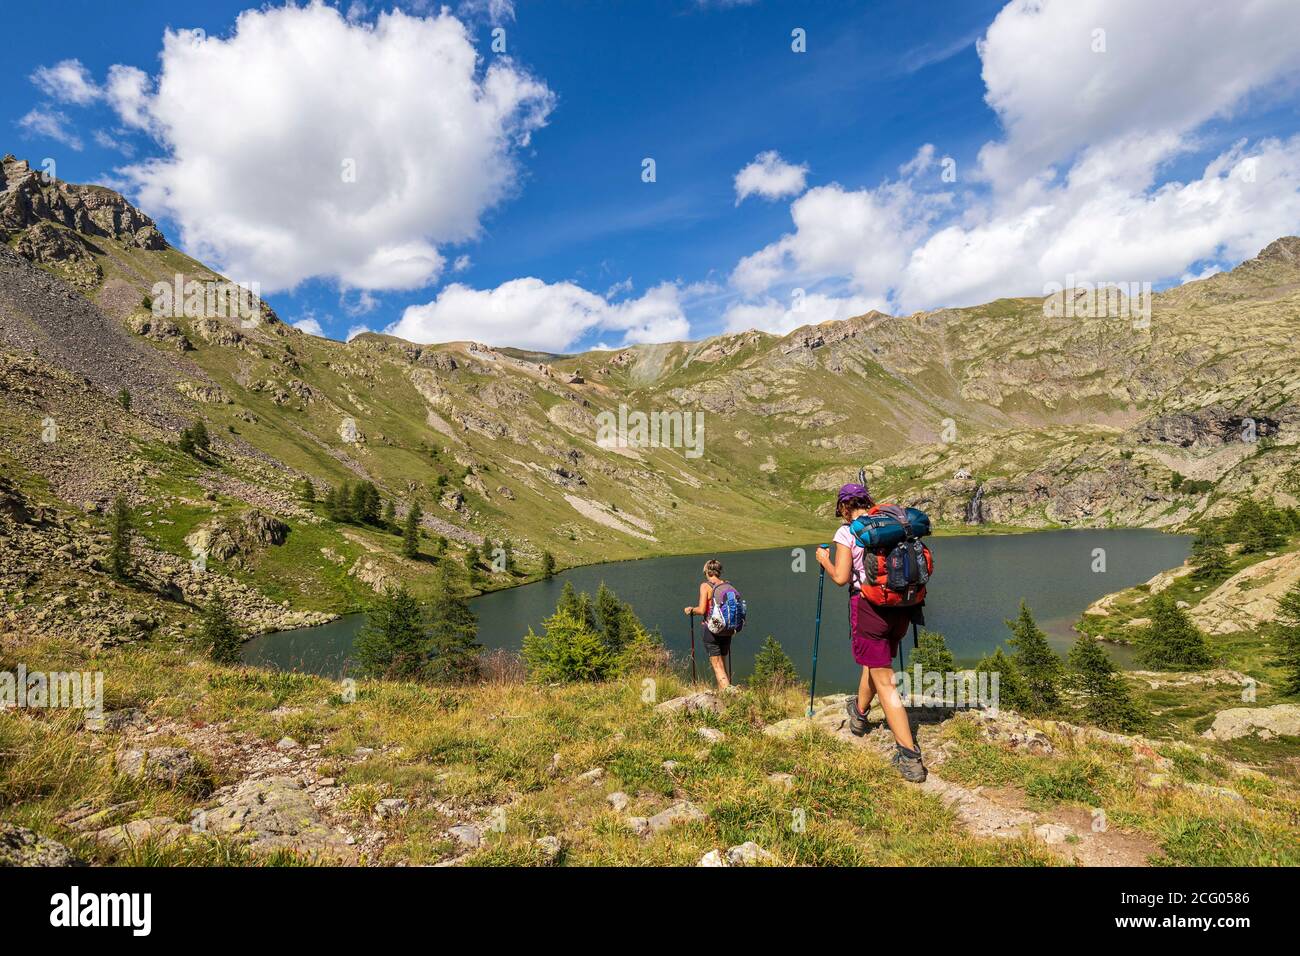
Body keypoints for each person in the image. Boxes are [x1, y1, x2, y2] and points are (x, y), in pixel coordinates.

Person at [815, 483, 927, 782]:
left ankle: (909, 757)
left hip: (869, 609)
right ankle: (860, 715)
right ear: (868, 501)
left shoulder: (847, 531)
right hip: (902, 606)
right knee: (875, 664)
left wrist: (824, 560)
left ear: (843, 507)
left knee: (885, 682)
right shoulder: (891, 522)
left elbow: (841, 578)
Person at [683, 558, 736, 690]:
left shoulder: (705, 586)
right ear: (719, 571)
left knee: (717, 665)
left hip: (711, 629)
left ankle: (730, 695)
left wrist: (690, 610)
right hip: (727, 628)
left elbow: (701, 610)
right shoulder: (727, 585)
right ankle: (724, 694)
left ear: (707, 571)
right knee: (722, 664)